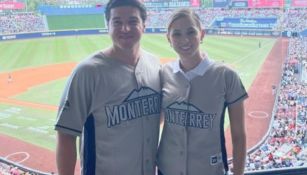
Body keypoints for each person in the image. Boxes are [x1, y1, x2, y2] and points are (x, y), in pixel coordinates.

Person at [55, 0, 161, 175]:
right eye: (117, 22)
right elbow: (65, 134)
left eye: (133, 21)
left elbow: (155, 116)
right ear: (107, 26)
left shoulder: (154, 65)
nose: (125, 28)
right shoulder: (87, 72)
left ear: (144, 25)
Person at [157, 9, 248, 175]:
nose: (184, 39)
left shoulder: (226, 75)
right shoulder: (163, 73)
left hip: (210, 170)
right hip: (167, 169)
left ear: (202, 34)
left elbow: (239, 136)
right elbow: (157, 120)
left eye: (191, 32)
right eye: (176, 34)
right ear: (168, 38)